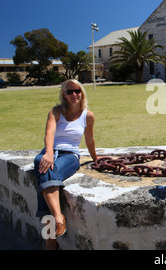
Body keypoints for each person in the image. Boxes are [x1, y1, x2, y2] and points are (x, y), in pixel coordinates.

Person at [34, 79, 97, 249]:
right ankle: (58, 218)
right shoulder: (56, 112)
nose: (74, 94)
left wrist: (96, 159)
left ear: (81, 92)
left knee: (45, 177)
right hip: (50, 152)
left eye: (77, 91)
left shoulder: (87, 115)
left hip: (70, 156)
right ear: (64, 95)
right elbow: (49, 133)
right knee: (43, 165)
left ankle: (50, 242)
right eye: (69, 92)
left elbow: (89, 140)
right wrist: (48, 153)